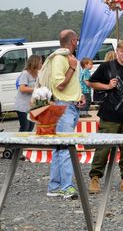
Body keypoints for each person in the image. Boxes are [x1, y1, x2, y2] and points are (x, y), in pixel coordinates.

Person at [88, 39, 123, 194]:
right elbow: (90, 82)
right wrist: (107, 86)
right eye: (122, 51)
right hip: (109, 114)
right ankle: (95, 178)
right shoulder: (107, 66)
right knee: (103, 148)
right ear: (118, 51)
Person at [43, 30, 84, 199]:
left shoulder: (66, 58)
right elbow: (59, 85)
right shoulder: (60, 59)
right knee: (66, 147)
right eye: (77, 40)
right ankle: (66, 187)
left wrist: (79, 95)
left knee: (60, 147)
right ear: (74, 41)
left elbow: (72, 84)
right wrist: (72, 68)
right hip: (63, 107)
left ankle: (55, 186)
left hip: (69, 105)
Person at [15, 55, 42, 132]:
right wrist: (36, 89)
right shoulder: (25, 73)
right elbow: (22, 88)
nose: (41, 64)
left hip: (32, 106)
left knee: (30, 128)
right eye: (40, 63)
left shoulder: (38, 74)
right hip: (22, 106)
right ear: (35, 63)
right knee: (25, 127)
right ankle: (17, 143)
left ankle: (25, 144)